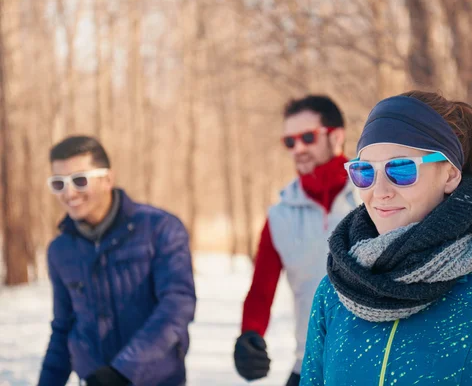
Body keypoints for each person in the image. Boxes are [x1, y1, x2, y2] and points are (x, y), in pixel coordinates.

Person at [300, 91, 472, 385]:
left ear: (449, 175)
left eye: (401, 168)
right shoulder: (337, 290)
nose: (379, 191)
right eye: (364, 171)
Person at [38, 136, 196, 386]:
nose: (69, 193)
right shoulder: (60, 250)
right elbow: (63, 329)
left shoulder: (160, 229)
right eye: (58, 183)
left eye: (79, 180)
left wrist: (124, 371)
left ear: (107, 179)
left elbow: (177, 306)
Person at [233, 96, 360, 386]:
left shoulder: (372, 197)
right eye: (290, 142)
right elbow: (261, 290)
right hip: (310, 365)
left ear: (336, 136)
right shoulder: (280, 215)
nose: (298, 149)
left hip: (371, 363)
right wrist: (249, 335)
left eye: (307, 137)